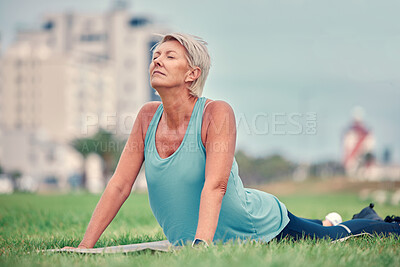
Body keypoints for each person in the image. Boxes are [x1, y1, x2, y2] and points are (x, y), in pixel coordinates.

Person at [64, 33, 400, 249]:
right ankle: (337, 218)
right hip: (210, 231)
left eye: (169, 55)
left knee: (331, 239)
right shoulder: (146, 117)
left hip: (255, 225)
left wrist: (200, 247)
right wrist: (83, 248)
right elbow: (120, 185)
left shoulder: (216, 113)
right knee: (317, 226)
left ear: (192, 73)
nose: (156, 60)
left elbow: (216, 186)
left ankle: (374, 223)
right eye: (155, 55)